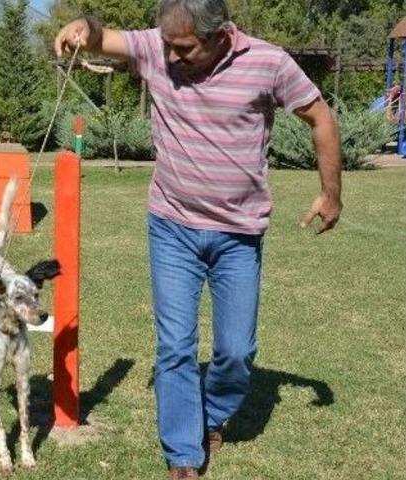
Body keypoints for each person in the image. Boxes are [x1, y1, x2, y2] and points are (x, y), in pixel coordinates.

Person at [55, 1, 342, 479]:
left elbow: (322, 119)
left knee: (235, 351)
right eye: (166, 45)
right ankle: (183, 456)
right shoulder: (157, 47)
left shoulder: (268, 63)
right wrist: (83, 27)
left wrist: (331, 194)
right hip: (171, 228)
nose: (170, 56)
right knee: (175, 346)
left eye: (183, 49)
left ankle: (212, 413)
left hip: (239, 235)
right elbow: (105, 35)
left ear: (221, 35)